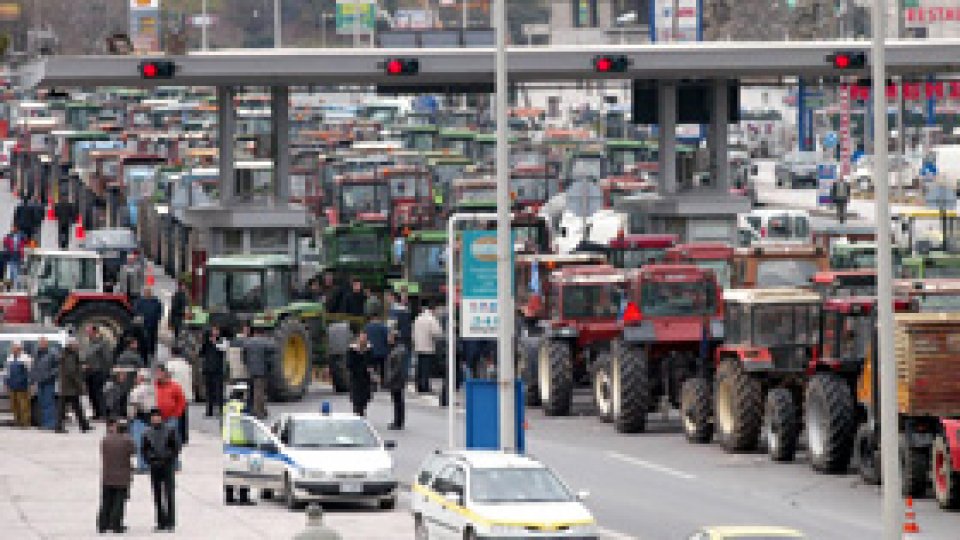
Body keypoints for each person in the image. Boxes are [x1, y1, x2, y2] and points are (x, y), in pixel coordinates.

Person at [141, 408, 180, 532]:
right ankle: (160, 521)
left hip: (167, 466)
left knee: (169, 494)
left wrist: (166, 458)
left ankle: (170, 522)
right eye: (153, 417)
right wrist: (151, 459)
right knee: (157, 494)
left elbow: (175, 448)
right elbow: (144, 450)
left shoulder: (170, 431)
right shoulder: (146, 433)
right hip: (154, 466)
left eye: (157, 416)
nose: (155, 419)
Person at [97, 418, 135, 534]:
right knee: (119, 501)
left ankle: (103, 524)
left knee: (106, 501)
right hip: (122, 476)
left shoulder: (105, 440)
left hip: (107, 475)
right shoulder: (127, 441)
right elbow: (133, 451)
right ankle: (116, 523)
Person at [56, 337, 91, 433]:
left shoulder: (67, 354)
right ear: (70, 345)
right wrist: (79, 383)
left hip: (66, 386)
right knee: (65, 408)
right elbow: (71, 371)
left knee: (74, 407)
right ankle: (60, 427)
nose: (77, 345)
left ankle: (84, 426)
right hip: (69, 386)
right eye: (75, 344)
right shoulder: (70, 356)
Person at [128, 369, 156, 472]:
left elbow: (133, 406)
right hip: (150, 419)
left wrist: (131, 418)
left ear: (141, 377)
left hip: (139, 420)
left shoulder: (136, 390)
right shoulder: (153, 390)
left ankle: (142, 465)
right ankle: (149, 464)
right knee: (149, 443)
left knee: (139, 443)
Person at [81, 326, 112, 420]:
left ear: (94, 332)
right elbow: (85, 357)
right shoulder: (88, 343)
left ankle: (103, 413)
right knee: (91, 393)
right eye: (86, 332)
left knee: (98, 393)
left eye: (88, 331)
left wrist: (106, 372)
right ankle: (97, 412)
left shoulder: (103, 343)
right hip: (89, 373)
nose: (87, 333)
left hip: (98, 372)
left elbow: (107, 359)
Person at [243, 328, 274, 419]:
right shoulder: (265, 342)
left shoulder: (248, 342)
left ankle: (260, 410)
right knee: (259, 392)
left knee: (253, 390)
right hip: (261, 370)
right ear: (262, 333)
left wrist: (248, 365)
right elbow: (273, 350)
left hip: (251, 370)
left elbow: (244, 356)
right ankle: (258, 412)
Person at [413, 301, 443, 394]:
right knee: (426, 369)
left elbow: (413, 333)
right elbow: (437, 333)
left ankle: (419, 386)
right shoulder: (432, 319)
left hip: (418, 346)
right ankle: (425, 387)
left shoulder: (418, 318)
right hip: (428, 347)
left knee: (420, 368)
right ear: (433, 309)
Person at [165, 349, 193, 445]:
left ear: (172, 354)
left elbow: (167, 378)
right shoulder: (186, 365)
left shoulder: (170, 365)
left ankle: (176, 436)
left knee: (175, 415)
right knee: (184, 415)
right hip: (186, 393)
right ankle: (185, 437)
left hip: (175, 393)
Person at [31, 337, 59, 430]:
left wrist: (50, 375)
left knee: (49, 403)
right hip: (40, 382)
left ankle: (50, 424)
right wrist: (32, 380)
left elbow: (58, 367)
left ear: (47, 343)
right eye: (40, 342)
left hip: (49, 382)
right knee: (41, 403)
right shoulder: (36, 354)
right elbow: (34, 367)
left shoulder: (53, 353)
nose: (41, 344)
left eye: (43, 342)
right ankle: (44, 423)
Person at [4, 341, 33, 428]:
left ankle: (25, 423)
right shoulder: (9, 358)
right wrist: (6, 382)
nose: (14, 350)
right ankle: (17, 421)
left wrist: (29, 383)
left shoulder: (26, 358)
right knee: (14, 405)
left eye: (16, 348)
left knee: (24, 405)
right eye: (13, 348)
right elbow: (7, 372)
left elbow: (30, 371)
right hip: (12, 385)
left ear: (20, 349)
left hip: (23, 385)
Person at [383, 329, 408, 430]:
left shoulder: (398, 350)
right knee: (398, 400)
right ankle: (398, 421)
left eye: (390, 337)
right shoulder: (397, 349)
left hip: (397, 379)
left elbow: (397, 368)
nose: (388, 339)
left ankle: (398, 422)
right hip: (398, 378)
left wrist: (389, 379)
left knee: (397, 400)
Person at [200, 327, 226, 417]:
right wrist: (206, 342)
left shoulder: (222, 340)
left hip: (218, 370)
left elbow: (224, 349)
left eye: (217, 330)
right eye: (214, 330)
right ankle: (209, 411)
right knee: (209, 391)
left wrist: (215, 343)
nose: (215, 332)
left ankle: (221, 410)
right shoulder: (207, 341)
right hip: (208, 370)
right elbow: (201, 353)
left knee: (219, 391)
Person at [347, 330, 374, 417]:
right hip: (356, 377)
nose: (363, 340)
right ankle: (358, 412)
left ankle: (362, 411)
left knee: (364, 398)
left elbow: (371, 362)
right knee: (357, 398)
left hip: (366, 378)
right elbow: (349, 364)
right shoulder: (352, 350)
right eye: (362, 338)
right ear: (358, 339)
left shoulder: (369, 350)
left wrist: (371, 369)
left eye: (365, 338)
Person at [133, 287, 163, 360]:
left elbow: (160, 311)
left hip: (153, 323)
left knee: (152, 338)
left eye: (149, 291)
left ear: (151, 293)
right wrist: (139, 319)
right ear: (144, 293)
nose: (147, 293)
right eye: (146, 291)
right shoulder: (139, 301)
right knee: (144, 338)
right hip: (143, 324)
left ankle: (151, 352)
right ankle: (143, 353)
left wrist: (158, 318)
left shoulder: (156, 301)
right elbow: (136, 311)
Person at [364, 295, 389, 380]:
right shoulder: (383, 327)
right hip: (382, 353)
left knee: (372, 370)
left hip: (371, 352)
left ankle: (373, 382)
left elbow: (364, 339)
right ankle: (382, 382)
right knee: (382, 371)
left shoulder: (366, 327)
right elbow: (389, 339)